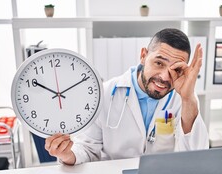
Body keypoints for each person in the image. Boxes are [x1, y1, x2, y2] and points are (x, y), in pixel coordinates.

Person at [45, 28, 209, 165]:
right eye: (159, 63)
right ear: (143, 55)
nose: (165, 77)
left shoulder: (184, 99)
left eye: (176, 70)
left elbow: (195, 158)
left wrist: (188, 98)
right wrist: (66, 154)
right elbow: (87, 149)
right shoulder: (105, 93)